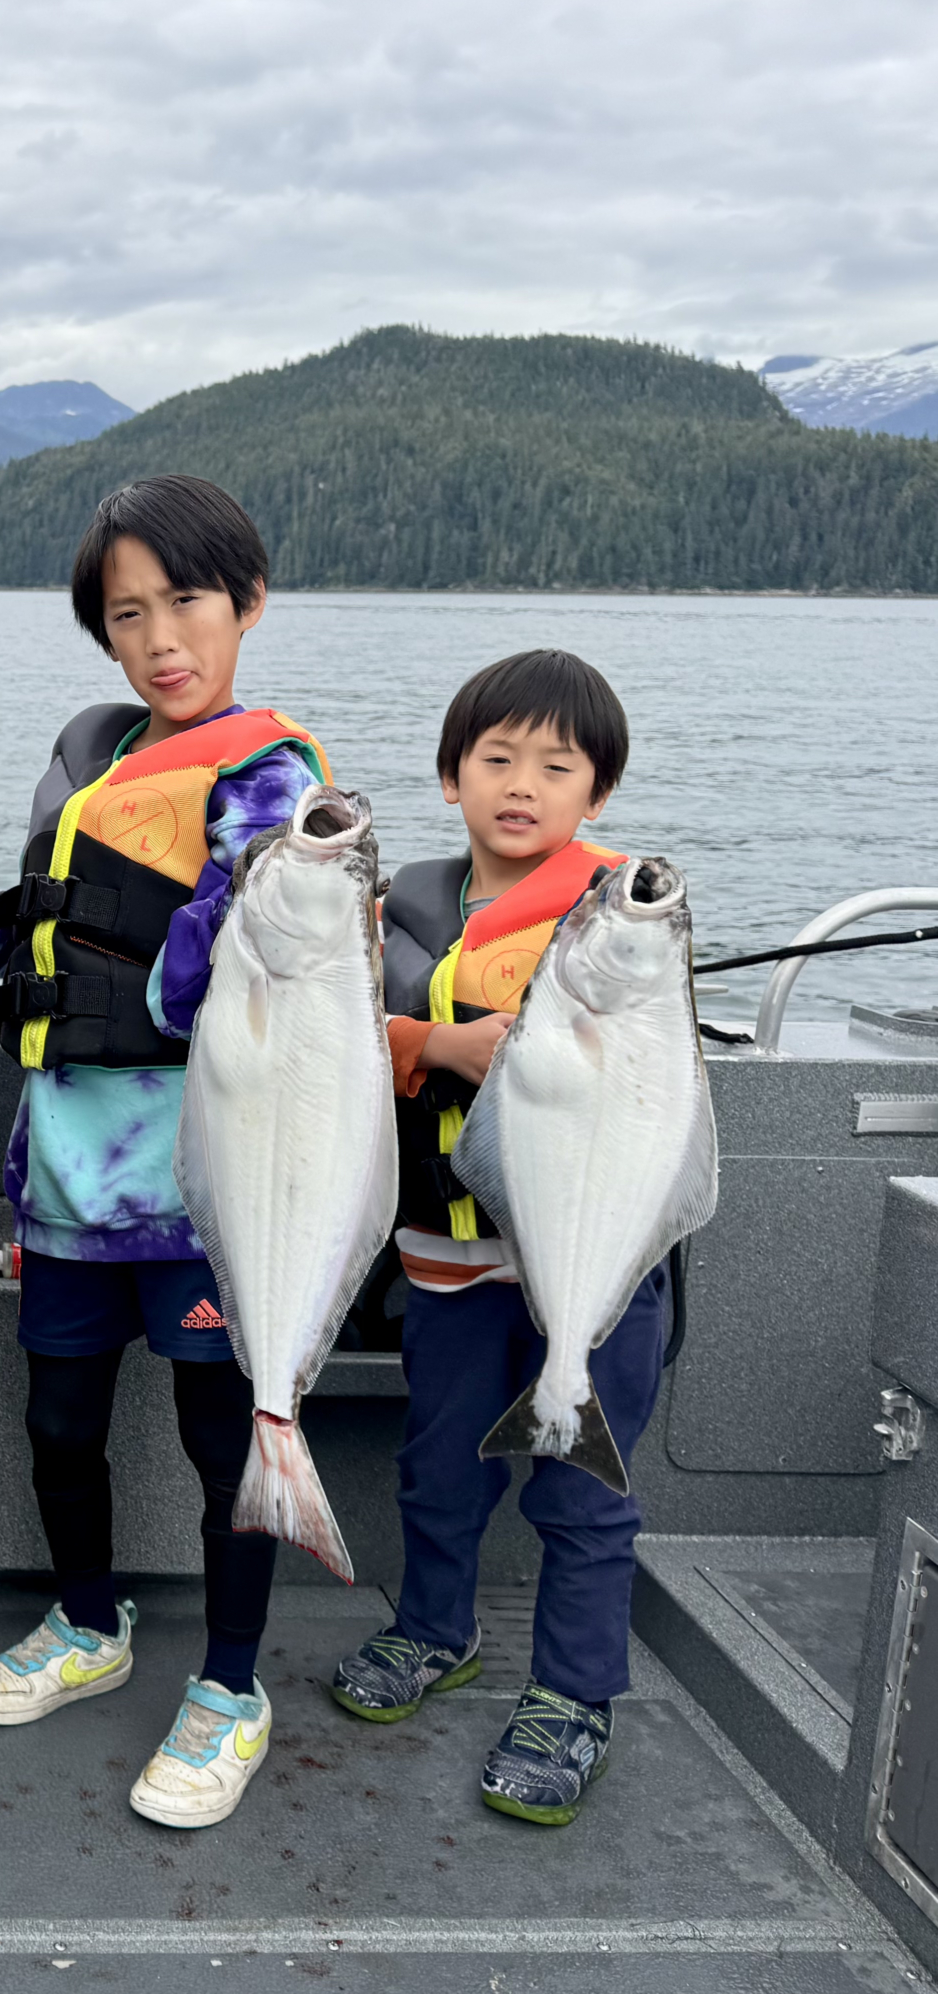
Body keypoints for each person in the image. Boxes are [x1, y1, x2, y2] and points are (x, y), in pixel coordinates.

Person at [0, 475, 329, 1831]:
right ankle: (88, 1622)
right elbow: (59, 921)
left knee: (221, 1429)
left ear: (248, 604)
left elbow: (227, 946)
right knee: (58, 1417)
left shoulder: (273, 774)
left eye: (187, 602)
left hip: (203, 1196)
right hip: (64, 1182)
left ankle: (231, 1686)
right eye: (129, 614)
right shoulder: (106, 764)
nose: (162, 637)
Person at [327, 649, 658, 1828]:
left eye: (556, 765)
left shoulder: (625, 911)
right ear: (451, 777)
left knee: (582, 1487)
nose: (523, 783)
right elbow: (339, 1026)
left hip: (596, 1269)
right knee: (438, 1463)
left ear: (596, 795)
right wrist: (438, 1044)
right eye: (497, 758)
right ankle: (433, 1629)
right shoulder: (402, 903)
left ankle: (573, 1698)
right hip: (451, 1260)